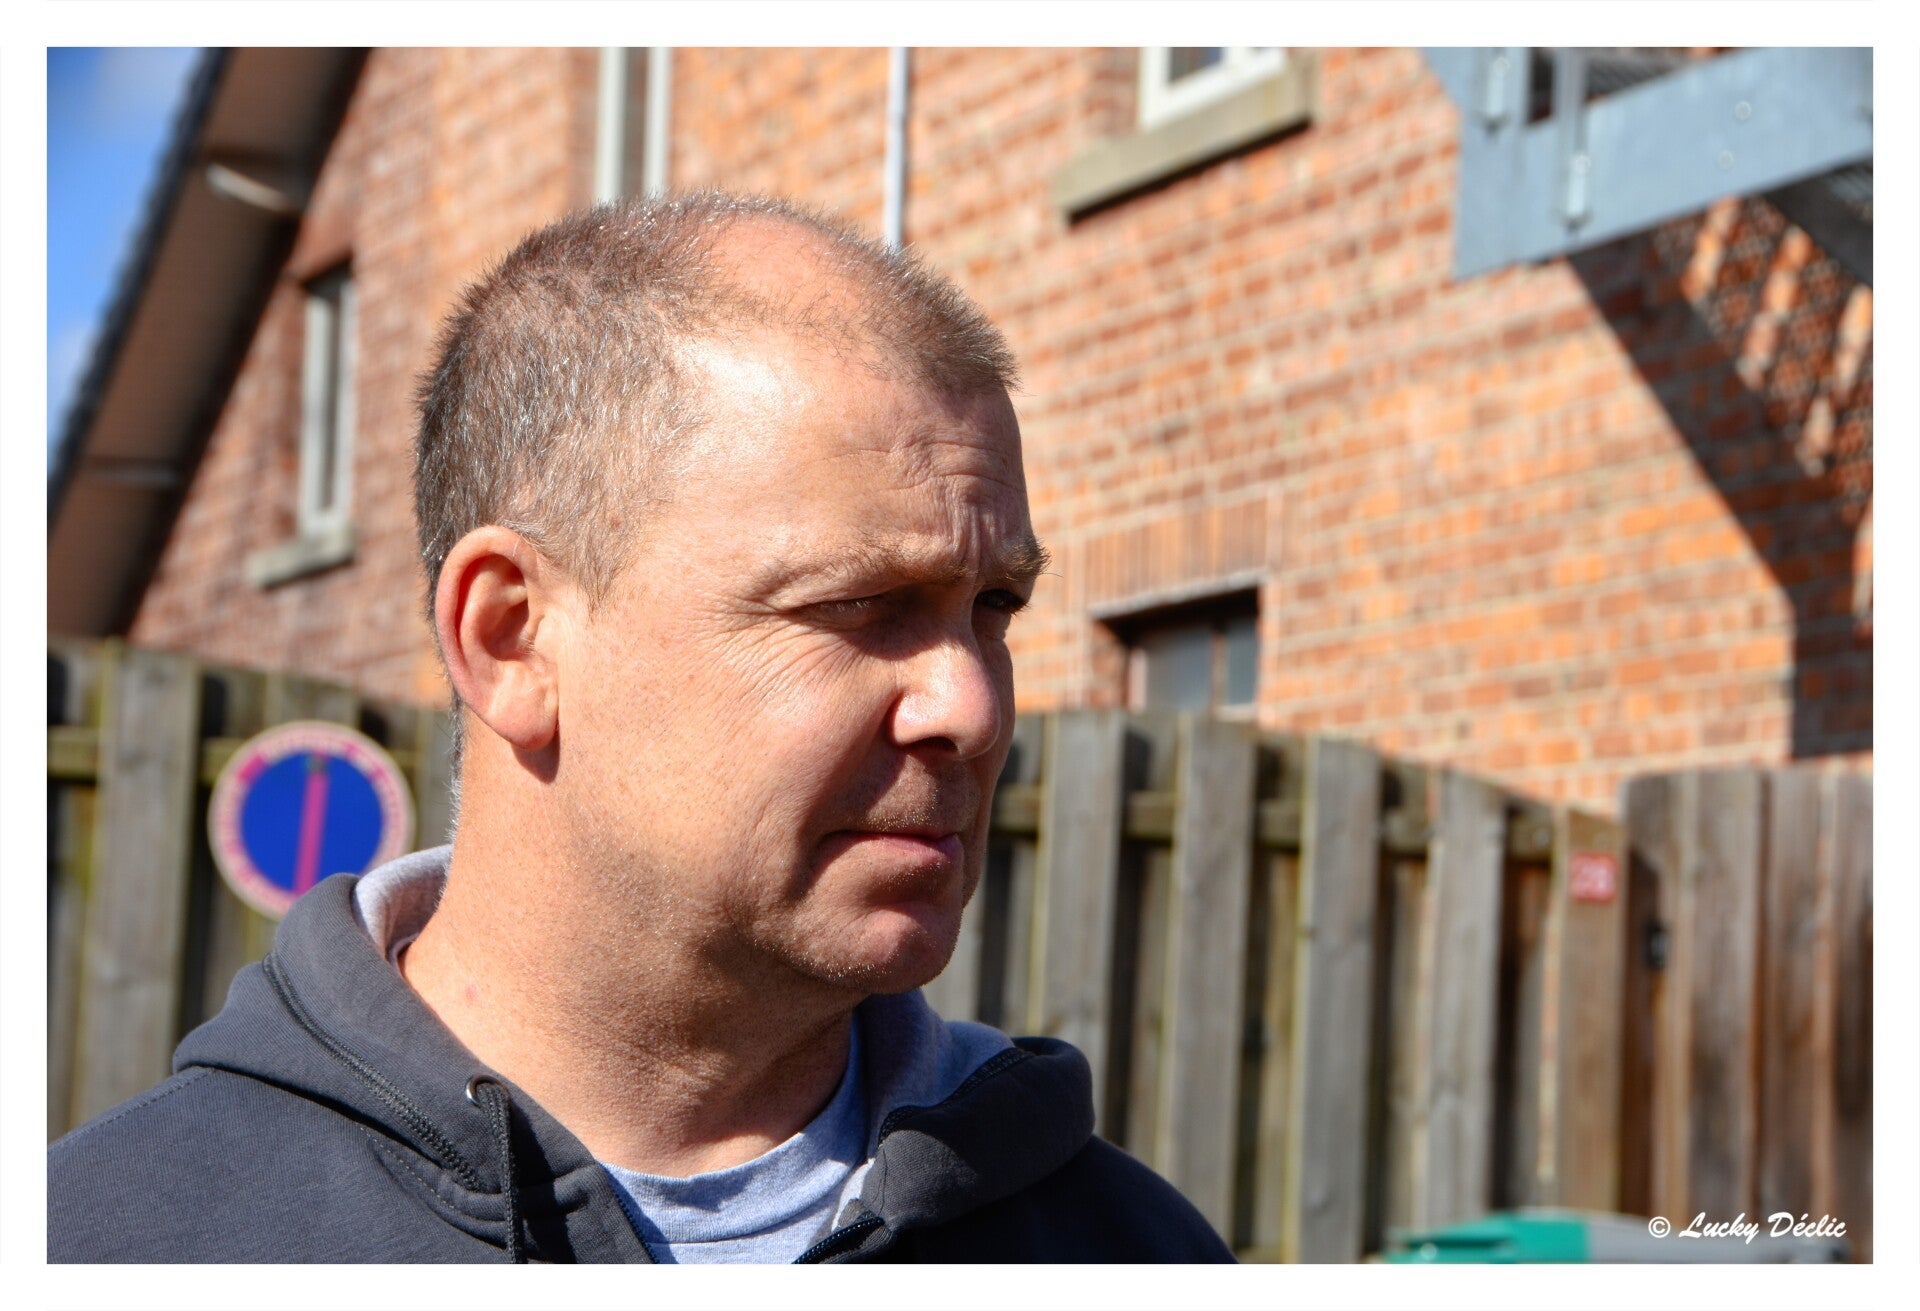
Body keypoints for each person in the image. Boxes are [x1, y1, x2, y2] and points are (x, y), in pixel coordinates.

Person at [48, 192, 1234, 1263]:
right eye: (859, 606)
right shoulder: (118, 1247)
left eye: (995, 608)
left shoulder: (1123, 1250)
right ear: (512, 640)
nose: (969, 707)